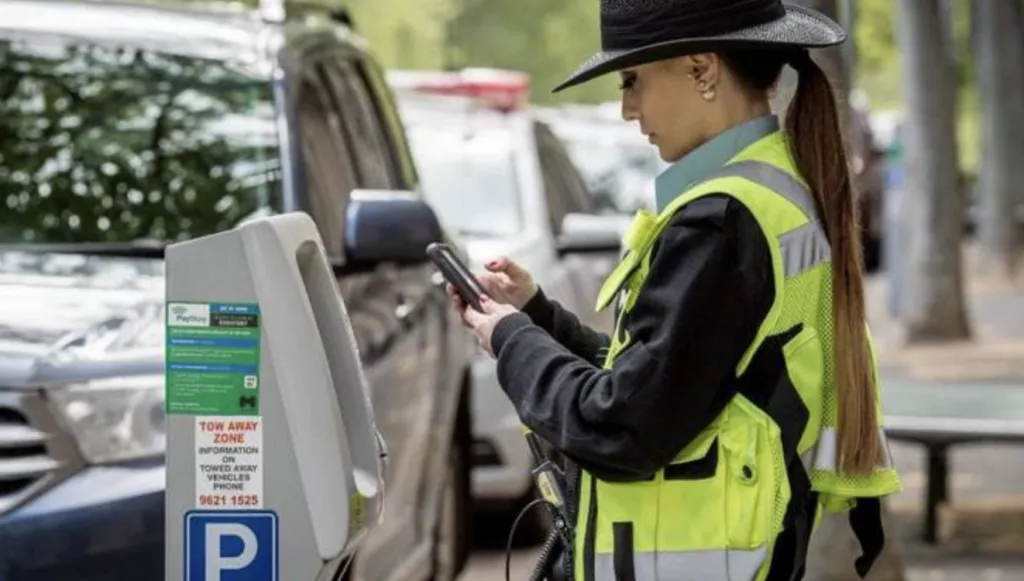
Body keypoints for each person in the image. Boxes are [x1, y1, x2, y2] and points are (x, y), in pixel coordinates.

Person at [445, 0, 902, 579]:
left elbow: (621, 424)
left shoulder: (720, 222)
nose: (627, 109)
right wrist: (537, 317)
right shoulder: (775, 192)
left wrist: (510, 340)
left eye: (632, 81)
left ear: (702, 70)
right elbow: (681, 378)